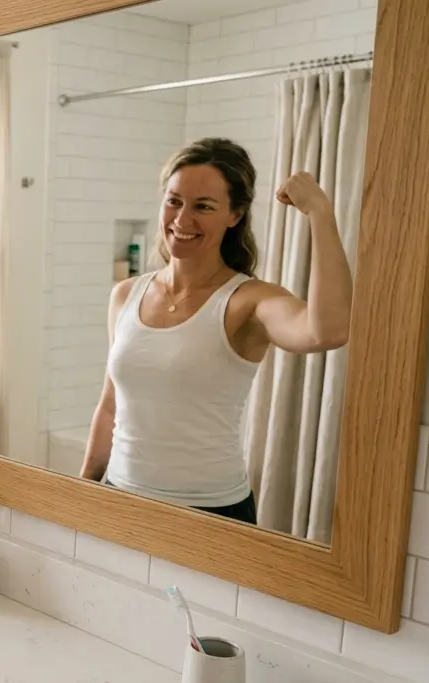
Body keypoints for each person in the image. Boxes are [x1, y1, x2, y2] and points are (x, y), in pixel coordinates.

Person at [78, 137, 352, 525]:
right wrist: (83, 488)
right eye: (174, 200)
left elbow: (329, 330)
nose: (182, 219)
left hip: (211, 513)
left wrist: (320, 213)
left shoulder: (248, 302)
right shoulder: (126, 294)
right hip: (122, 499)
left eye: (203, 206)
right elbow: (110, 404)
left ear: (235, 215)